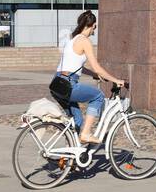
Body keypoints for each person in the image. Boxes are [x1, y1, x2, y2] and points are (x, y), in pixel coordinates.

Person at [52, 12, 125, 145]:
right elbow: (97, 67)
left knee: (77, 120)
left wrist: (94, 75)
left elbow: (76, 67)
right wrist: (116, 80)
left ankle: (70, 156)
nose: (95, 29)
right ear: (91, 25)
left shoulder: (72, 40)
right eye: (95, 27)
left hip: (57, 83)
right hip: (68, 84)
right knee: (98, 96)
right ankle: (86, 134)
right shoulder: (84, 41)